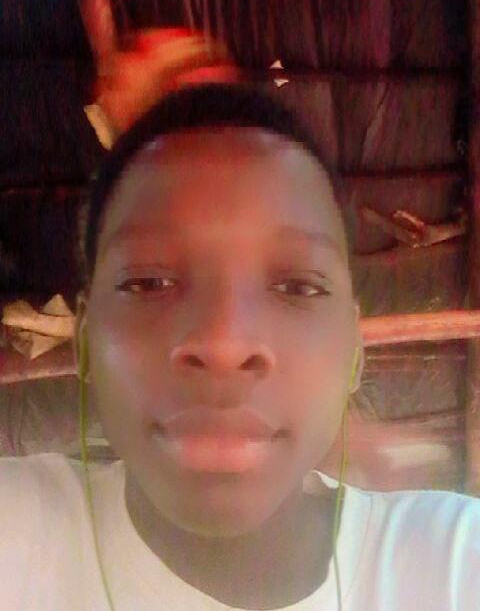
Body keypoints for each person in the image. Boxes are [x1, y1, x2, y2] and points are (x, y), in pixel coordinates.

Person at [1, 83, 479, 611]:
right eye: (148, 283)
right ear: (86, 342)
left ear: (354, 353)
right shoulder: (16, 531)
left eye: (297, 287)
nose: (223, 344)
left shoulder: (455, 565)